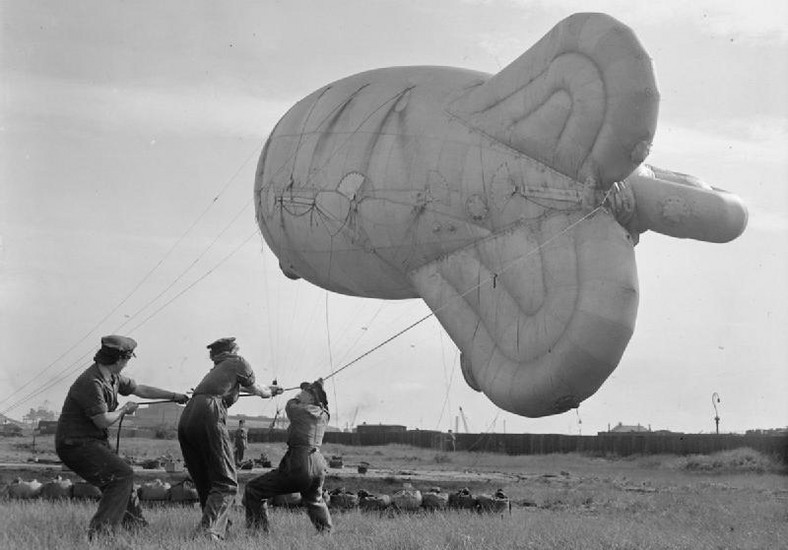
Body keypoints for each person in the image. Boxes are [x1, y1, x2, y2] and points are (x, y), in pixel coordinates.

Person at [55, 335, 189, 540]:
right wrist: (124, 409)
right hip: (75, 444)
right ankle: (100, 535)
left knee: (123, 477)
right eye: (127, 360)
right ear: (119, 359)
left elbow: (140, 389)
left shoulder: (112, 376)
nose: (127, 365)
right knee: (121, 475)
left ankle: (136, 528)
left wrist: (174, 396)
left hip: (91, 441)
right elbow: (102, 420)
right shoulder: (91, 382)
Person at [177, 337, 282, 541]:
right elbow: (256, 390)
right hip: (209, 413)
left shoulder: (215, 372)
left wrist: (266, 388)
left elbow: (238, 385)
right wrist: (268, 392)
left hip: (188, 416)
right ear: (232, 350)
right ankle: (208, 532)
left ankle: (220, 528)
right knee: (226, 483)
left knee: (205, 480)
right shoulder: (238, 361)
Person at [244, 378, 332, 534]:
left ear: (311, 397)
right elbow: (321, 405)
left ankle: (258, 533)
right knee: (314, 499)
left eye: (305, 391)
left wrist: (289, 395)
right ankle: (326, 533)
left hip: (299, 463)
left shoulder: (301, 411)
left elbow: (290, 405)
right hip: (318, 465)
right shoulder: (324, 415)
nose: (301, 392)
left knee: (253, 489)